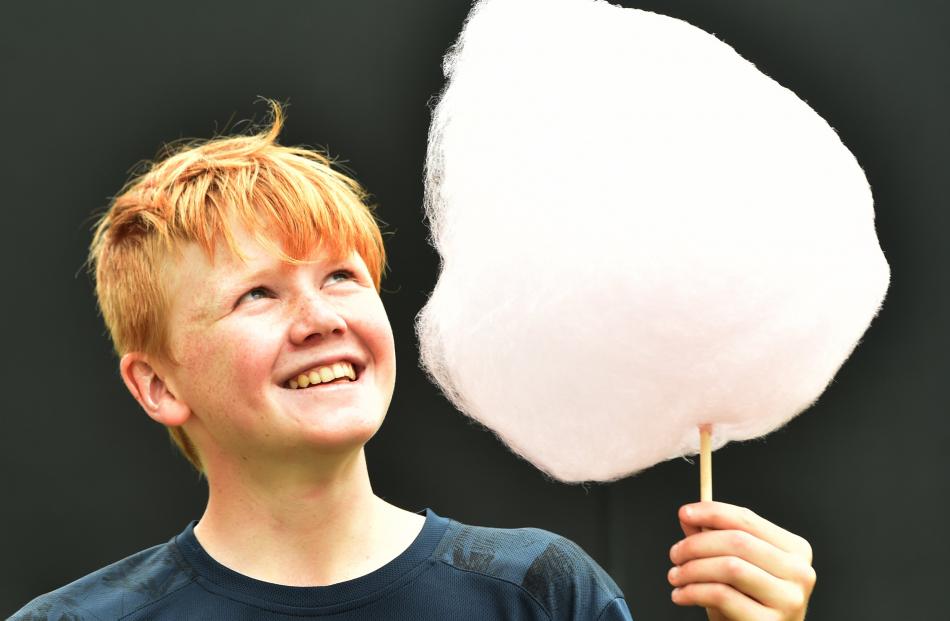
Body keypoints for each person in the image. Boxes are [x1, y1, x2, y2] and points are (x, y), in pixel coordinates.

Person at [12, 103, 815, 620]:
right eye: (258, 294)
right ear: (158, 384)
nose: (320, 318)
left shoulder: (536, 592)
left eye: (341, 277)